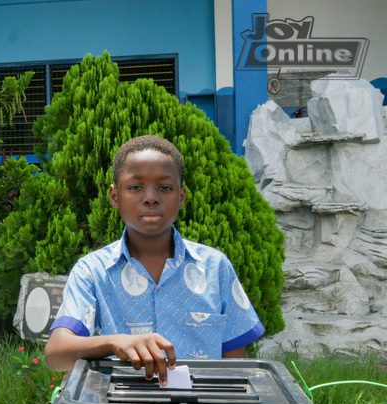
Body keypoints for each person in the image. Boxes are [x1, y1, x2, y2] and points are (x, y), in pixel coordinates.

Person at [44, 135, 264, 383]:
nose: (150, 197)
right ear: (115, 196)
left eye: (165, 188)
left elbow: (235, 367)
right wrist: (115, 342)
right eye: (135, 187)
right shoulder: (92, 271)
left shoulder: (215, 267)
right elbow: (56, 355)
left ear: (182, 196)